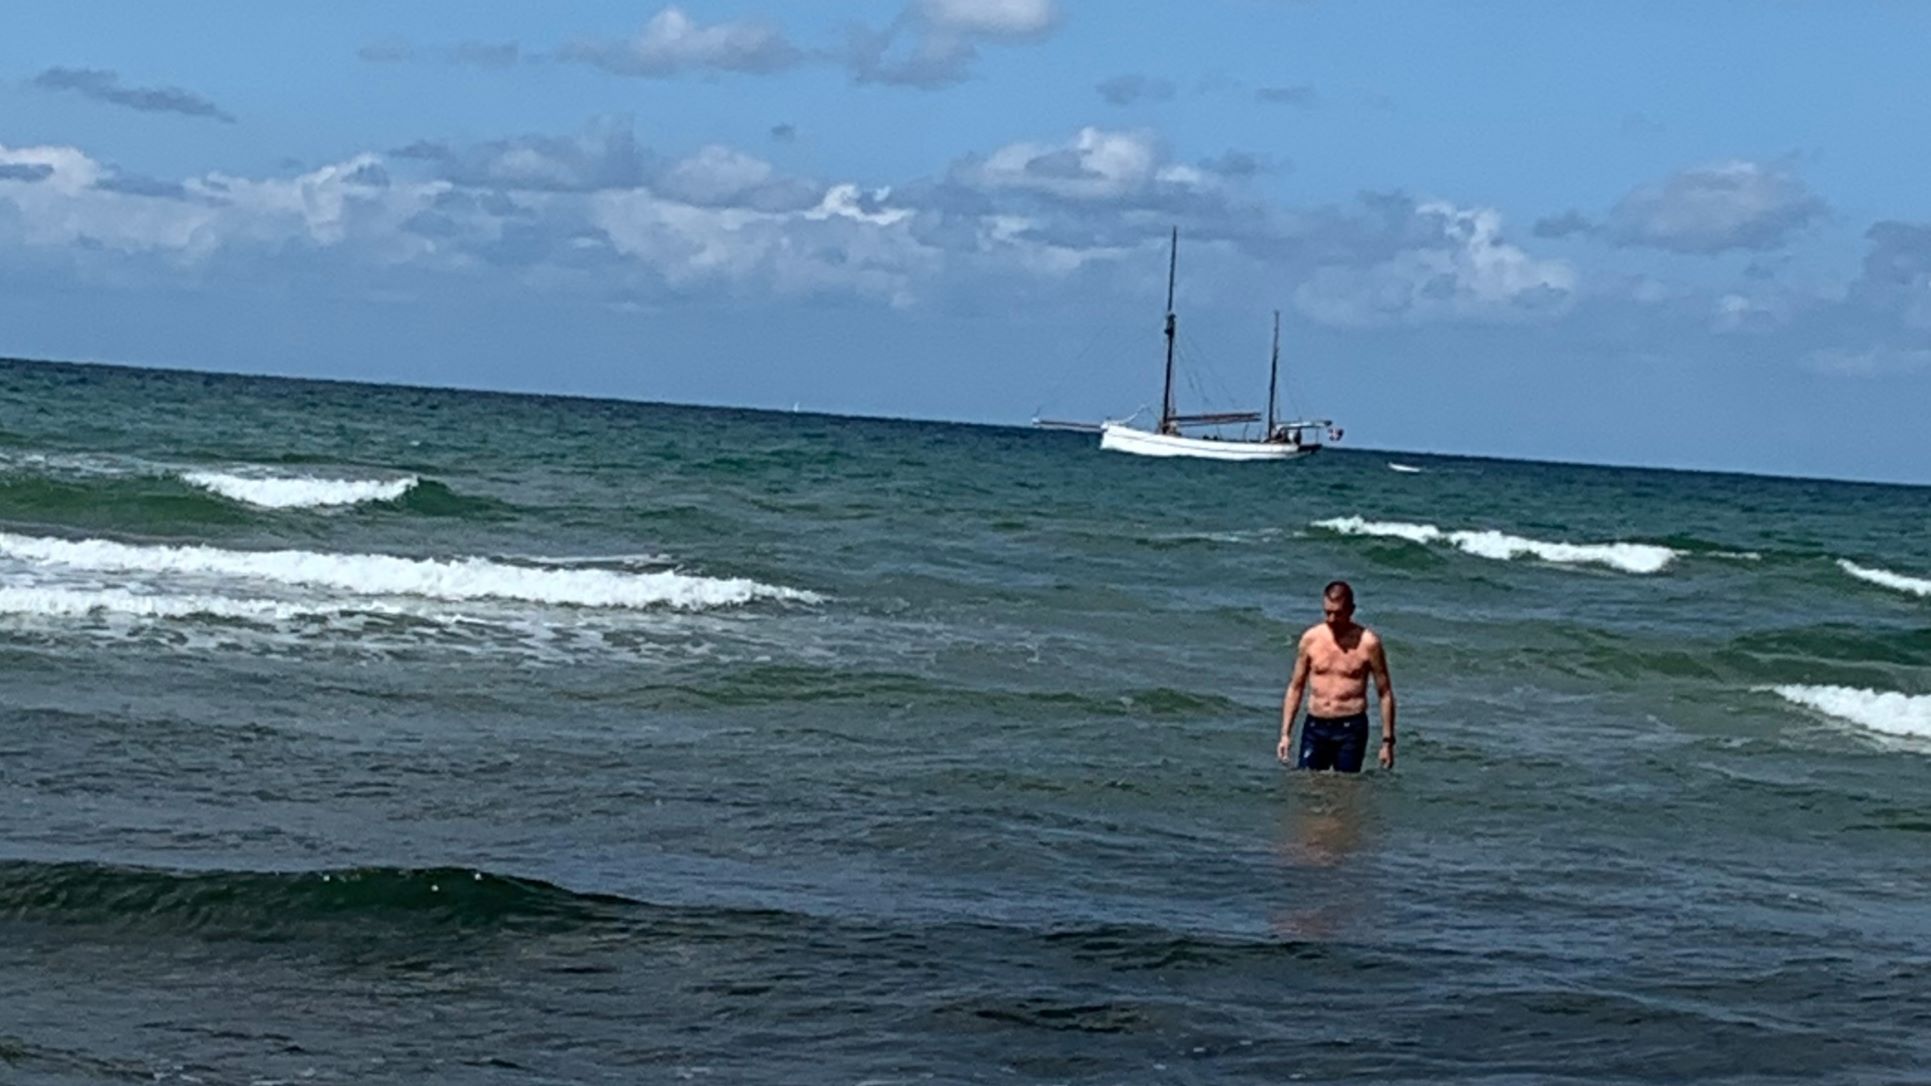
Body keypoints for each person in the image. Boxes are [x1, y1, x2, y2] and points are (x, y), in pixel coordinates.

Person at [1276, 581, 1396, 772]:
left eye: (1338, 613)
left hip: (1351, 728)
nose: (1331, 619)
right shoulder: (1311, 639)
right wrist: (1285, 734)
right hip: (1315, 726)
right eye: (1327, 612)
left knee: (1347, 786)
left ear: (1351, 610)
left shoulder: (1368, 643)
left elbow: (1385, 693)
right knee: (1307, 783)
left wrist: (1387, 742)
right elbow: (1296, 687)